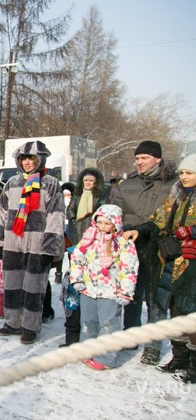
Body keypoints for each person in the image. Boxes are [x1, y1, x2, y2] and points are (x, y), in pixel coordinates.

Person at [124, 154, 196, 383]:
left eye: (190, 173)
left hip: (193, 265)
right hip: (172, 261)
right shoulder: (176, 195)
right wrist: (140, 230)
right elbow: (158, 220)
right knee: (175, 311)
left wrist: (192, 233)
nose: (184, 177)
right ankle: (180, 357)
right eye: (182, 172)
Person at [109, 140, 178, 365]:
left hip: (160, 248)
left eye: (144, 158)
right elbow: (115, 214)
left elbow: (173, 216)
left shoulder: (173, 184)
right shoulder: (127, 185)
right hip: (132, 247)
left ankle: (153, 345)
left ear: (157, 159)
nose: (139, 162)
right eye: (137, 158)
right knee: (132, 293)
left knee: (157, 298)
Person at [0, 140, 65, 345]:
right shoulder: (12, 183)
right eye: (24, 159)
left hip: (38, 244)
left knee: (33, 288)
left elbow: (56, 217)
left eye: (31, 159)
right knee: (12, 285)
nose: (27, 163)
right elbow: (1, 213)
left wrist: (49, 248)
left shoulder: (50, 184)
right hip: (13, 243)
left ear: (40, 160)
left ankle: (30, 327)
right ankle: (12, 322)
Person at [70, 204, 138, 370]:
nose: (102, 226)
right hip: (88, 289)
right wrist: (77, 279)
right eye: (99, 222)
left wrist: (126, 291)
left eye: (107, 223)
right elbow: (77, 258)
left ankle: (106, 358)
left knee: (108, 325)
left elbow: (129, 268)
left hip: (111, 292)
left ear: (115, 223)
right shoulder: (89, 239)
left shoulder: (123, 243)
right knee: (88, 322)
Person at [59, 168, 106, 346]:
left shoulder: (100, 197)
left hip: (93, 239)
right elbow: (70, 210)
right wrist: (74, 220)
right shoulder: (78, 196)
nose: (88, 183)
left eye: (91, 181)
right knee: (74, 275)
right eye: (86, 181)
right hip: (76, 237)